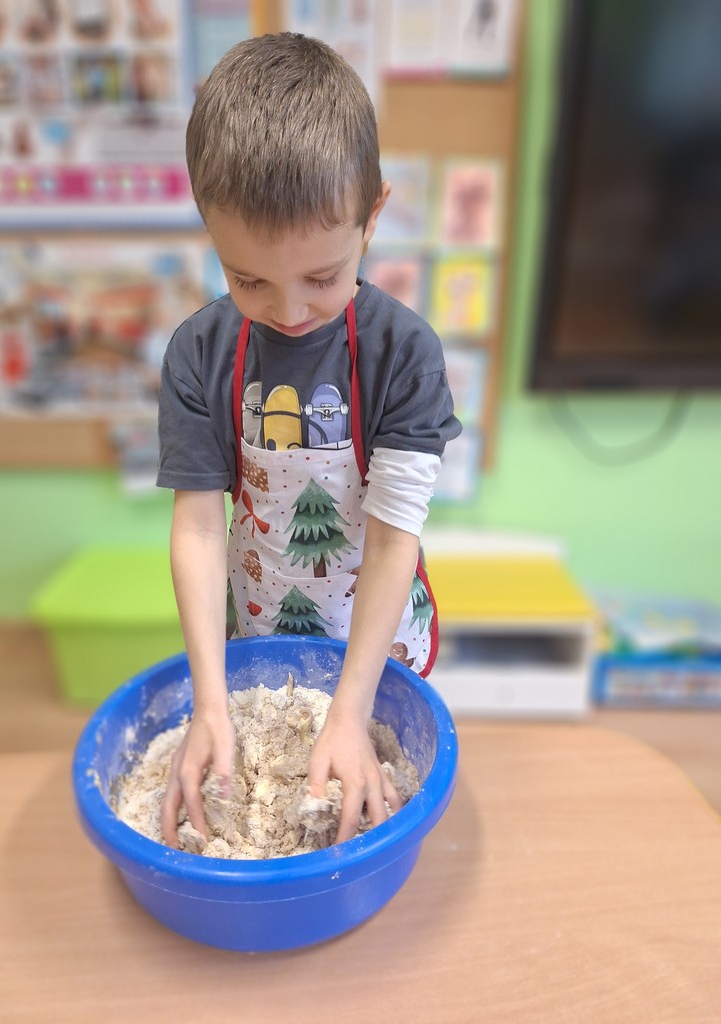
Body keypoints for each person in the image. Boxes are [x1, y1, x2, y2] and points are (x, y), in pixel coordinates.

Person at [156, 32, 461, 848]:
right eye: (248, 278)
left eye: (322, 277)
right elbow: (198, 528)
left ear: (373, 216)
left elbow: (393, 538)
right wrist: (210, 703)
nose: (288, 311)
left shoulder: (403, 354)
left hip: (377, 644)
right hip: (258, 630)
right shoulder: (199, 352)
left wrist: (352, 713)